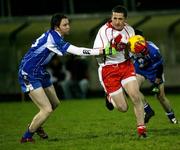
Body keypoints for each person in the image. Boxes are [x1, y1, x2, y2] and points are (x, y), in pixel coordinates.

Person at [18, 13, 116, 143]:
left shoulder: (54, 35)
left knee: (55, 103)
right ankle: (26, 136)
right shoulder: (54, 38)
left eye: (68, 24)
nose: (68, 27)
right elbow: (77, 51)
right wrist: (102, 51)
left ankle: (36, 126)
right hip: (28, 73)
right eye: (65, 25)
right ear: (56, 27)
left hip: (40, 71)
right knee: (46, 109)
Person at [93, 5, 147, 138]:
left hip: (126, 65)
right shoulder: (103, 31)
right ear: (111, 17)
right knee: (123, 108)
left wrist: (140, 50)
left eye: (120, 19)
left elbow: (132, 50)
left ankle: (141, 129)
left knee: (135, 95)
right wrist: (113, 48)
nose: (116, 21)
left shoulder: (130, 31)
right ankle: (109, 96)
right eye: (114, 18)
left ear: (125, 20)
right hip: (109, 69)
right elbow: (96, 54)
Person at [127, 33, 178, 124]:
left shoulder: (154, 52)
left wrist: (156, 81)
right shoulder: (131, 46)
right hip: (140, 70)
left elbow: (160, 67)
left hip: (154, 70)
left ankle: (172, 117)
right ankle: (148, 110)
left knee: (160, 96)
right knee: (133, 90)